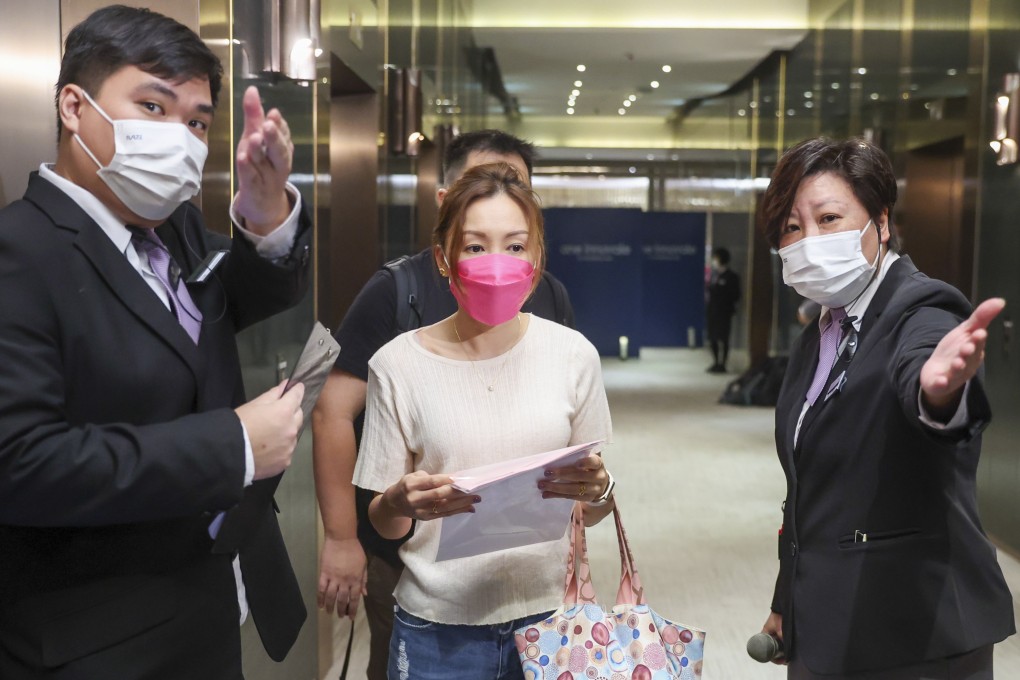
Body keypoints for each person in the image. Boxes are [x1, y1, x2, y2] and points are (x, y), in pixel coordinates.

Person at [0, 6, 313, 678]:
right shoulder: (18, 254)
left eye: (196, 122)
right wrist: (231, 446)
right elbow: (18, 463)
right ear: (74, 107)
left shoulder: (175, 230)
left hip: (207, 604)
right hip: (99, 639)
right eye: (151, 105)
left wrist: (265, 214)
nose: (179, 138)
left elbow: (239, 301)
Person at [311, 130, 574, 679]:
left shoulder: (548, 294)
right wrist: (340, 537)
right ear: (445, 201)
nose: (500, 197)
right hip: (414, 564)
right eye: (482, 184)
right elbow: (332, 411)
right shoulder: (396, 290)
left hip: (528, 572)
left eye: (516, 187)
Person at [758, 137, 1014, 679]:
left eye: (829, 218)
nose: (808, 240)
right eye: (792, 227)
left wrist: (938, 389)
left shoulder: (923, 307)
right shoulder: (820, 332)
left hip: (914, 628)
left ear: (880, 219)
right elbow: (806, 490)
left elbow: (927, 387)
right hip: (826, 621)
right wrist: (788, 598)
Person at [352, 161, 614, 680]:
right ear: (443, 259)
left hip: (554, 621)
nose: (497, 262)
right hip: (437, 630)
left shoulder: (573, 355)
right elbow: (383, 521)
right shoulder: (397, 365)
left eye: (515, 246)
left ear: (536, 259)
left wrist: (601, 490)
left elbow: (589, 509)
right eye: (475, 246)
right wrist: (400, 501)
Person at [705, 246, 741, 373]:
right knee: (712, 337)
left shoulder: (732, 276)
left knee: (724, 338)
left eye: (715, 258)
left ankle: (723, 363)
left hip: (724, 312)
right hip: (712, 311)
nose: (714, 260)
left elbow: (736, 295)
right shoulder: (713, 275)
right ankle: (715, 362)